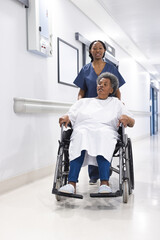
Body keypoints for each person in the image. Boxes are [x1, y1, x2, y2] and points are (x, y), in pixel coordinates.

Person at [58, 72, 135, 194]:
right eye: (99, 83)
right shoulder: (83, 102)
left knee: (103, 135)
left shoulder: (116, 103)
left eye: (105, 84)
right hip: (83, 130)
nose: (101, 86)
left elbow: (132, 122)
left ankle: (105, 183)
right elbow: (70, 115)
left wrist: (126, 118)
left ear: (111, 90)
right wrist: (66, 117)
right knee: (80, 135)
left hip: (106, 131)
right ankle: (71, 184)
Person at [73, 40, 126, 184]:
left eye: (100, 48)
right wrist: (79, 103)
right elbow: (81, 91)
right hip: (89, 109)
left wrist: (119, 105)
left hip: (106, 109)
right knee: (89, 134)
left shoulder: (111, 68)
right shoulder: (85, 69)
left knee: (104, 134)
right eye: (94, 48)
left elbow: (117, 91)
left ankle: (104, 171)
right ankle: (94, 175)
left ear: (104, 51)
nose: (97, 50)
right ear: (90, 51)